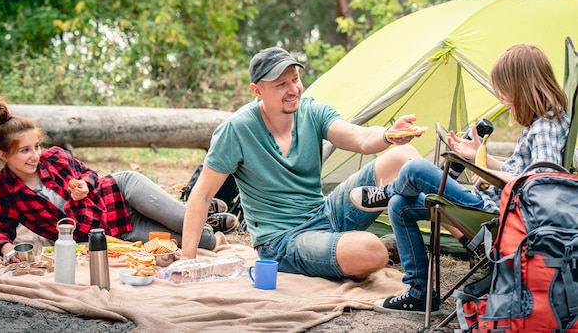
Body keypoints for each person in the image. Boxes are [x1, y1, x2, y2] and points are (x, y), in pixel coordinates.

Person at [350, 44, 570, 314]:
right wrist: (479, 156)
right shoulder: (542, 123)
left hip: (500, 213)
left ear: (522, 86)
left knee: (415, 169)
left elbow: (542, 182)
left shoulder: (546, 126)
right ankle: (419, 294)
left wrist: (488, 175)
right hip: (495, 203)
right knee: (400, 206)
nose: (502, 98)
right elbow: (524, 169)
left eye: (505, 91)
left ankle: (384, 193)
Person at [180, 46, 424, 281]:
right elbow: (201, 194)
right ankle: (349, 249)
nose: (293, 89)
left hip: (325, 213)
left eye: (295, 79)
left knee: (404, 155)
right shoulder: (236, 130)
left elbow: (360, 138)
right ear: (257, 91)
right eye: (281, 85)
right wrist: (187, 260)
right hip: (283, 239)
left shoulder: (312, 111)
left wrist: (388, 135)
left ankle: (462, 232)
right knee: (372, 251)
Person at [0, 100, 237, 264]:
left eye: (36, 146)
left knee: (185, 222)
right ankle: (205, 216)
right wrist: (7, 250)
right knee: (205, 242)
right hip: (118, 230)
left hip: (122, 191)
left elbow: (90, 174)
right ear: (4, 155)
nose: (35, 155)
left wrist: (86, 185)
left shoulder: (55, 157)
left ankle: (194, 210)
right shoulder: (2, 188)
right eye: (24, 151)